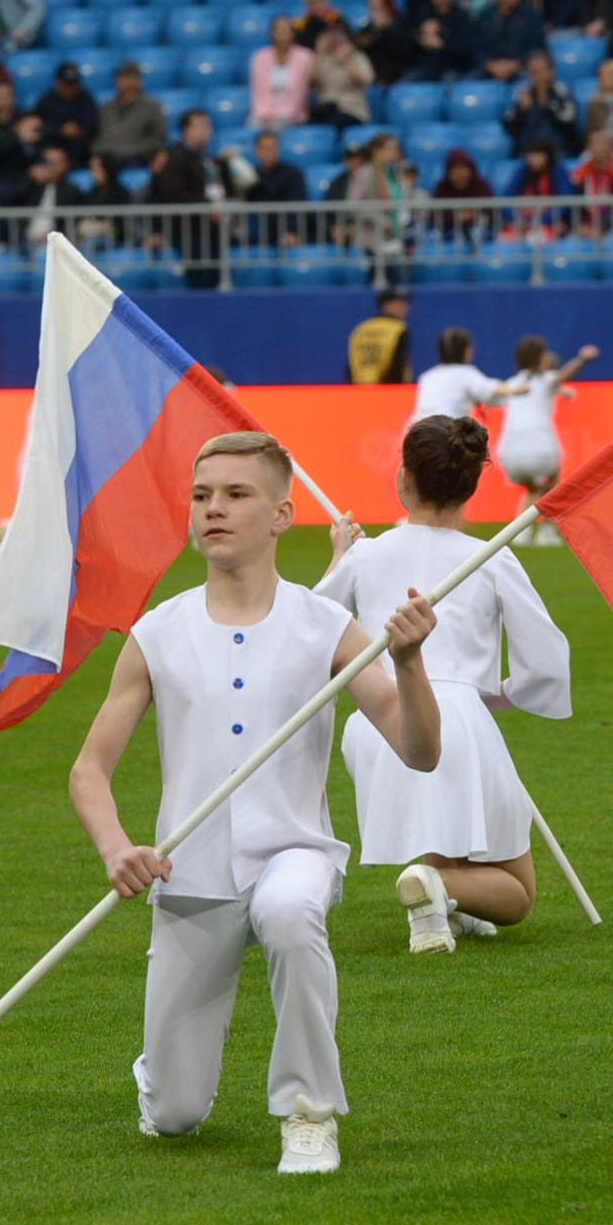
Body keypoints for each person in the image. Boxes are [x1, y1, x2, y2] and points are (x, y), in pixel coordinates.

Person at [68, 432, 443, 1174]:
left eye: (236, 495)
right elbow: (88, 770)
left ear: (281, 515)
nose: (214, 509)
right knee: (174, 1117)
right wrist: (117, 848)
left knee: (289, 911)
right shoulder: (157, 633)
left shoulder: (327, 627)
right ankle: (163, 1078)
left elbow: (419, 749)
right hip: (190, 875)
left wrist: (409, 663)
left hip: (293, 852)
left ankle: (309, 1113)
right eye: (203, 495)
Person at [316, 416, 569, 952]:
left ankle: (436, 911)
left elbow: (308, 629)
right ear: (471, 484)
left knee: (445, 828)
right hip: (455, 716)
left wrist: (340, 555)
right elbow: (546, 667)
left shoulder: (365, 555)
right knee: (519, 894)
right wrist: (488, 696)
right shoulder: (492, 557)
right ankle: (440, 884)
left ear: (402, 478)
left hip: (379, 723)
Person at [491, 335, 598, 540]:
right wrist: (582, 359)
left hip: (508, 453)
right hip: (540, 448)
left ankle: (520, 532)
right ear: (538, 359)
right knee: (553, 476)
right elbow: (562, 376)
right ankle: (547, 531)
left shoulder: (513, 382)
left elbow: (494, 400)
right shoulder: (546, 379)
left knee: (534, 489)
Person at [410, 327, 504, 424]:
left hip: (418, 432)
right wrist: (515, 388)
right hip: (447, 432)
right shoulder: (466, 373)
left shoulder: (427, 377)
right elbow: (493, 389)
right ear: (465, 350)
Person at [347, 288, 411, 383]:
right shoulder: (398, 329)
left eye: (405, 303)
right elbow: (398, 367)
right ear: (385, 305)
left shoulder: (361, 329)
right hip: (389, 391)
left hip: (359, 390)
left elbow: (350, 368)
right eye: (398, 303)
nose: (405, 307)